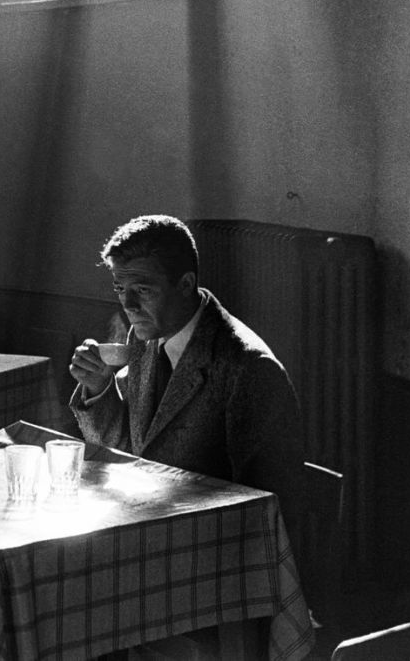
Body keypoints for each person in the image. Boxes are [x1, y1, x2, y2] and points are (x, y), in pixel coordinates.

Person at [69, 212, 304, 568]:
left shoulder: (248, 368)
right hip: (146, 536)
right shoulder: (147, 337)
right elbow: (132, 452)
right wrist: (101, 388)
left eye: (142, 290)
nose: (128, 306)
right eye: (120, 289)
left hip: (209, 560)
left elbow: (267, 513)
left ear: (185, 283)